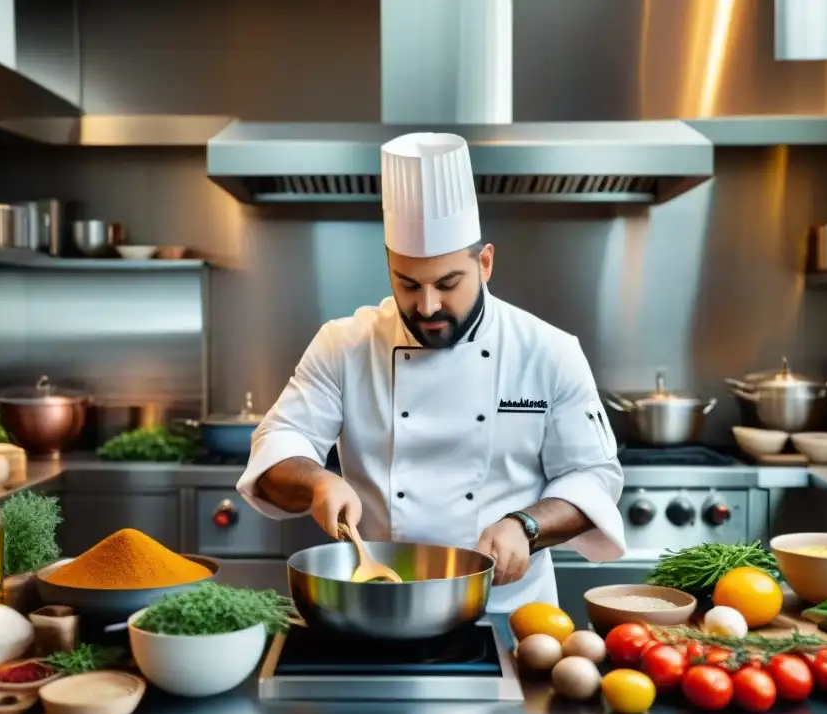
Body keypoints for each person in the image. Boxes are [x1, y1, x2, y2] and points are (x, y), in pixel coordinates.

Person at [237, 132, 626, 612]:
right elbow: (278, 446)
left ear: (484, 263)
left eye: (448, 283)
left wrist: (525, 525)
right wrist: (318, 482)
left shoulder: (548, 351)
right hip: (377, 604)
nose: (428, 306)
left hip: (509, 614)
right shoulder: (344, 344)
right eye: (407, 284)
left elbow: (593, 477)